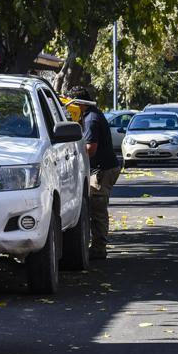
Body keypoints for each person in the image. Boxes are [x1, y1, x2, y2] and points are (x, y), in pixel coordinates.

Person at [68, 85, 119, 260]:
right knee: (95, 208)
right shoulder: (92, 115)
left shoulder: (91, 119)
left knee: (97, 209)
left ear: (79, 104)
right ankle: (97, 245)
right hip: (102, 169)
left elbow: (91, 148)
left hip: (102, 171)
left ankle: (99, 248)